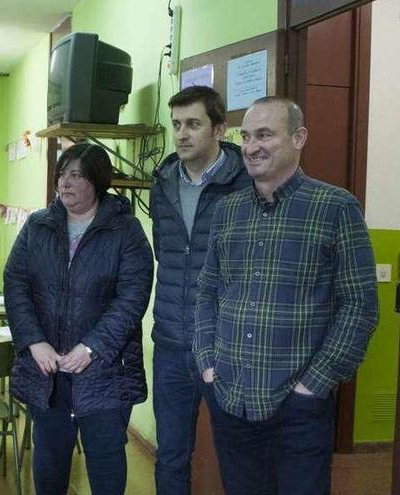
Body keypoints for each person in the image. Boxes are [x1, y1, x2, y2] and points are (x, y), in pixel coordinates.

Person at [194, 96, 378, 495]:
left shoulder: (335, 208)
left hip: (297, 408)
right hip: (231, 399)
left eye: (265, 135)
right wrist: (209, 365)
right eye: (246, 136)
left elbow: (360, 306)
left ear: (299, 137)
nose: (251, 146)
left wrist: (315, 383)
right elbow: (207, 291)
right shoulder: (228, 211)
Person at [4, 143, 153, 495]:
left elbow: (133, 297)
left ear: (97, 182)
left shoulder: (126, 231)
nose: (65, 183)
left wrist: (92, 347)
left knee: (105, 460)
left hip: (106, 371)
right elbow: (16, 283)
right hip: (48, 369)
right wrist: (34, 341)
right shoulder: (37, 225)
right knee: (50, 459)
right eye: (62, 174)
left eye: (77, 175)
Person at [149, 85, 250, 494]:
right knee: (171, 455)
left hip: (227, 345)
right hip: (172, 344)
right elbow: (164, 250)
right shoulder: (163, 181)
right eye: (176, 125)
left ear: (219, 129)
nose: (182, 134)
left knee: (238, 455)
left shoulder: (244, 182)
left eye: (193, 124)